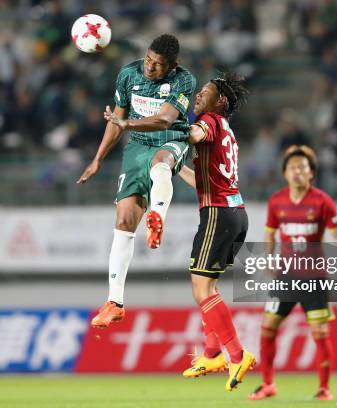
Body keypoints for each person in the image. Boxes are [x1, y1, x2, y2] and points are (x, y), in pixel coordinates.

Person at [77, 34, 196, 328]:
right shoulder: (128, 74)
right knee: (124, 219)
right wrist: (98, 159)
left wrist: (126, 123)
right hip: (137, 148)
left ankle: (157, 215)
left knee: (162, 164)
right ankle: (114, 302)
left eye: (158, 64)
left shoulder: (184, 81)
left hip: (171, 139)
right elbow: (116, 122)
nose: (150, 68)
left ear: (172, 66)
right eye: (148, 59)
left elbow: (166, 120)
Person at [248, 145, 337, 401]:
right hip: (285, 277)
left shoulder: (322, 201)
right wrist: (269, 260)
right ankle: (268, 384)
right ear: (284, 173)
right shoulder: (277, 201)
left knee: (320, 333)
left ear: (311, 173)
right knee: (268, 327)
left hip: (314, 278)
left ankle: (324, 388)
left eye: (303, 168)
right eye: (292, 168)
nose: (297, 172)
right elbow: (269, 234)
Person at [177, 73, 256, 391]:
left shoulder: (209, 121)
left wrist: (166, 124)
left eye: (204, 92)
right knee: (209, 288)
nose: (198, 96)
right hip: (236, 213)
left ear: (220, 101)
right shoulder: (227, 132)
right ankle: (211, 353)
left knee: (201, 290)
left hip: (218, 216)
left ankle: (237, 355)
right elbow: (202, 182)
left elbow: (194, 134)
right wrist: (173, 168)